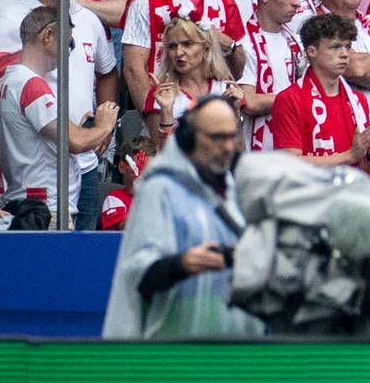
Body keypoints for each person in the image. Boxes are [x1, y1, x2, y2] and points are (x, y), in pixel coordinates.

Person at [101, 96, 258, 340]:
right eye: (218, 137)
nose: (228, 147)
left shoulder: (232, 190)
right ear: (189, 138)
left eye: (231, 136)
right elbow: (137, 273)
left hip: (234, 347)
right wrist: (183, 264)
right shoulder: (160, 188)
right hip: (173, 348)